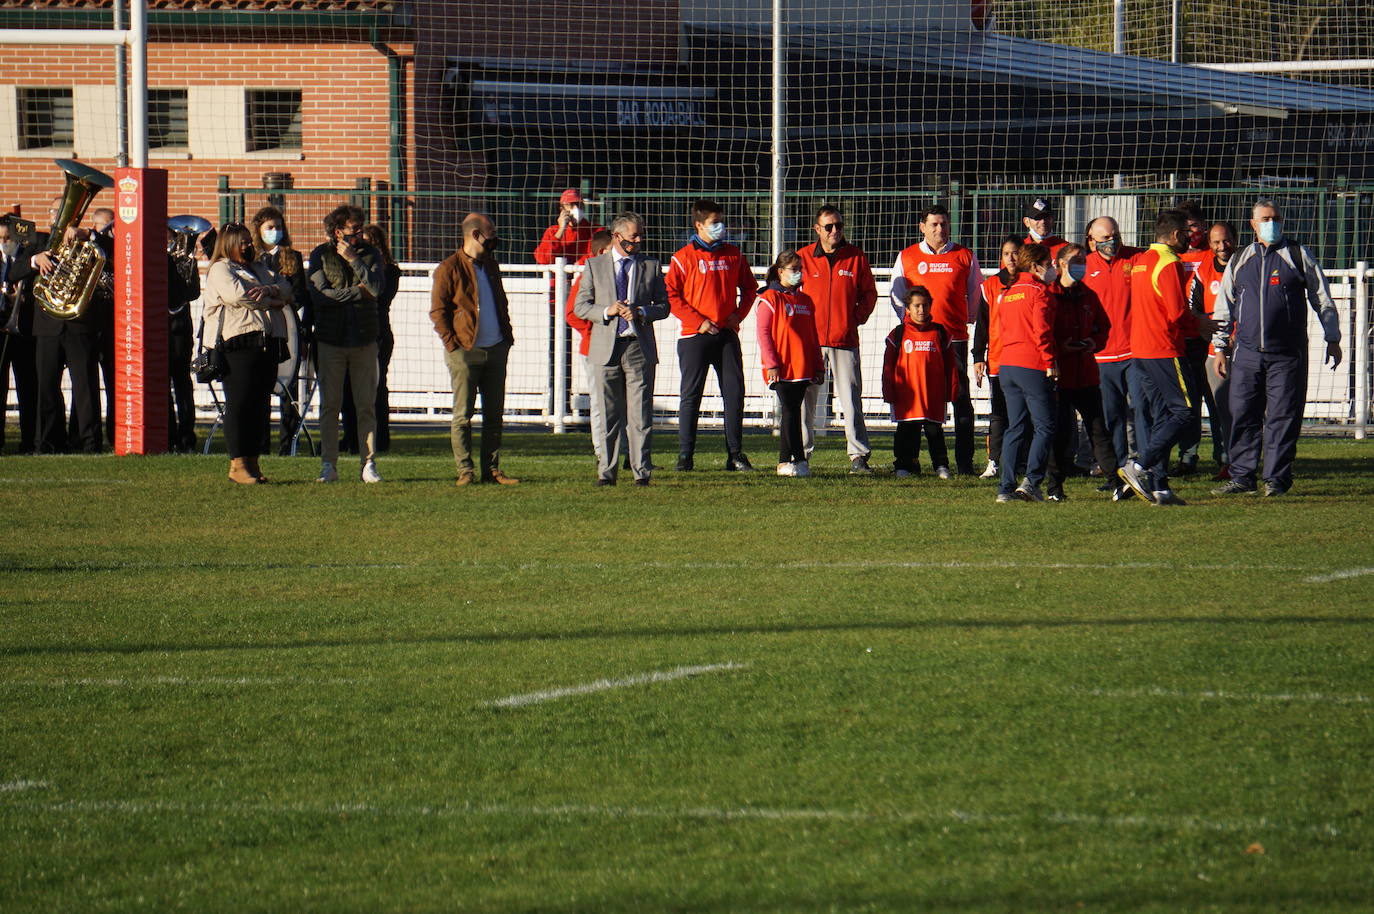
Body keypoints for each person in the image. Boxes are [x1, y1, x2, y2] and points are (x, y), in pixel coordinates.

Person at [1212, 200, 1341, 497]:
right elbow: (1224, 306)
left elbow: (1321, 297)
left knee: (1282, 417)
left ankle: (1276, 480)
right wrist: (1219, 347)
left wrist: (1332, 337)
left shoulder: (1298, 254)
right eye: (1265, 219)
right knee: (1243, 414)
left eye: (1276, 218)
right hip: (1246, 355)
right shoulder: (1240, 258)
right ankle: (1242, 477)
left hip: (1287, 355)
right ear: (1253, 224)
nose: (1272, 223)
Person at [1117, 210, 1218, 506]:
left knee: (1161, 416)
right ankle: (1138, 466)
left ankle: (1160, 486)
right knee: (1184, 412)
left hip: (1141, 350)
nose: (1191, 238)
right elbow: (1176, 313)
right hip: (1164, 348)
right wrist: (1200, 324)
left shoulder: (1142, 261)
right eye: (1187, 233)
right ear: (1175, 235)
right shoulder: (1169, 262)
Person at [574, 213, 669, 486]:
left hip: (638, 347)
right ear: (617, 237)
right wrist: (607, 311)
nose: (638, 240)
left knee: (640, 414)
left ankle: (641, 473)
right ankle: (607, 473)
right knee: (607, 415)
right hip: (605, 348)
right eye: (633, 236)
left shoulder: (650, 266)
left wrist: (641, 312)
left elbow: (664, 306)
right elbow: (581, 306)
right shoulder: (594, 266)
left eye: (640, 235)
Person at [666, 198, 757, 472]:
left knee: (734, 393)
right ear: (699, 225)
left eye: (721, 222)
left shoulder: (733, 254)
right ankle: (685, 456)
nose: (721, 227)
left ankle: (735, 455)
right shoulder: (682, 258)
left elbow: (750, 288)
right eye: (714, 223)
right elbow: (672, 296)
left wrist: (738, 315)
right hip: (694, 336)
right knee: (691, 396)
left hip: (726, 335)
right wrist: (699, 321)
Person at [890, 204, 980, 474]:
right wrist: (912, 325)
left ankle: (964, 463)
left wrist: (964, 319)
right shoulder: (907, 256)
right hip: (918, 343)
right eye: (934, 224)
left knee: (960, 399)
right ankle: (911, 461)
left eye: (944, 224)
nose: (940, 229)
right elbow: (897, 295)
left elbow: (975, 295)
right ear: (922, 227)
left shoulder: (964, 256)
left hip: (954, 340)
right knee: (917, 399)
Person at [429, 212, 518, 487]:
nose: (495, 240)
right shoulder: (449, 268)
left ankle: (491, 470)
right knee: (463, 415)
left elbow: (500, 302)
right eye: (491, 235)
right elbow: (438, 311)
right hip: (465, 350)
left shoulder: (490, 265)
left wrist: (506, 338)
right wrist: (452, 344)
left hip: (496, 348)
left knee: (494, 415)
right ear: (476, 235)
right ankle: (465, 470)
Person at [202, 222, 290, 484]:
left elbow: (287, 287)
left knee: (259, 405)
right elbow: (240, 296)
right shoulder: (221, 269)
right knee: (239, 404)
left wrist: (271, 290)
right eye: (242, 242)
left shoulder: (259, 268)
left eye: (248, 241)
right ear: (229, 244)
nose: (248, 246)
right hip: (237, 343)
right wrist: (275, 302)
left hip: (267, 341)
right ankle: (238, 464)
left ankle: (253, 462)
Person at [798, 205, 877, 474]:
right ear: (817, 229)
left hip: (845, 340)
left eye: (839, 226)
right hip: (810, 343)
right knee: (805, 402)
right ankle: (801, 454)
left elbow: (869, 294)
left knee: (851, 400)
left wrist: (854, 319)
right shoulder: (803, 258)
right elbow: (789, 292)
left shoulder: (856, 257)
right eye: (829, 226)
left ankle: (858, 456)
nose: (835, 231)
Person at [307, 205, 384, 484]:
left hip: (364, 338)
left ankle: (368, 463)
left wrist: (354, 260)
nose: (359, 234)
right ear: (338, 231)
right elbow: (320, 296)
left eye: (361, 229)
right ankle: (329, 464)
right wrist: (357, 293)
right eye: (354, 230)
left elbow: (376, 289)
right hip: (331, 339)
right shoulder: (320, 254)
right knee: (330, 405)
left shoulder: (370, 254)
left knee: (366, 405)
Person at [31, 194, 107, 454]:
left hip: (79, 324)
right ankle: (47, 443)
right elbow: (17, 269)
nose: (57, 216)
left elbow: (111, 248)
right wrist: (36, 260)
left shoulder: (85, 241)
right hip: (47, 326)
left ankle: (89, 443)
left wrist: (88, 234)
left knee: (85, 386)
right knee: (46, 387)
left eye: (62, 211)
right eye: (54, 212)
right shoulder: (37, 241)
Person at [1045, 243, 1116, 501]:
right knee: (1061, 432)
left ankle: (1116, 481)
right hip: (1060, 374)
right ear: (1062, 264)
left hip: (1086, 373)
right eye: (1077, 260)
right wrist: (1059, 349)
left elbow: (1103, 327)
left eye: (1084, 261)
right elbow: (1041, 332)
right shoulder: (1049, 295)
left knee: (1098, 428)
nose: (1082, 266)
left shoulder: (1088, 295)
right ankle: (1055, 487)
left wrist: (1092, 343)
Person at [1083, 215, 1144, 498]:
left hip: (1135, 352)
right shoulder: (1084, 267)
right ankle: (1118, 473)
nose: (1112, 241)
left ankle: (1145, 467)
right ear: (1091, 241)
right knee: (1112, 417)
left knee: (1142, 410)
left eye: (1115, 235)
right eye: (1105, 238)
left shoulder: (1137, 259)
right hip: (1102, 356)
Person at [995, 243, 1058, 502]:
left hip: (1007, 364)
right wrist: (1050, 361)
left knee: (1015, 427)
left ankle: (1005, 489)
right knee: (1044, 426)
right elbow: (1041, 331)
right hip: (1031, 364)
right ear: (1035, 266)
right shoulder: (1039, 291)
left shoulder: (1008, 292)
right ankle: (1031, 482)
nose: (1051, 268)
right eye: (1048, 264)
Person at [755, 250, 823, 478]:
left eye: (800, 269)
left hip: (802, 367)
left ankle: (793, 461)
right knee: (790, 410)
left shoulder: (805, 300)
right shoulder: (769, 298)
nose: (798, 273)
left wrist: (818, 366)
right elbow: (764, 333)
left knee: (792, 411)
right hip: (782, 367)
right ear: (780, 271)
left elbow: (812, 336)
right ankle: (791, 460)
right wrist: (771, 363)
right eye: (794, 269)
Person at [250, 206, 310, 455]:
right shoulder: (252, 257)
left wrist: (279, 298)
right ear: (258, 230)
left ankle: (288, 444)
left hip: (287, 326)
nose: (275, 231)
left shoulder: (292, 257)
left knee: (288, 387)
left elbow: (299, 293)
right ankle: (261, 444)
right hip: (260, 326)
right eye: (269, 227)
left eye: (278, 227)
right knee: (260, 387)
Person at [884, 285, 960, 479]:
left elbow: (951, 365)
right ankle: (903, 465)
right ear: (908, 308)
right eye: (916, 306)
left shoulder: (940, 333)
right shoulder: (898, 333)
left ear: (930, 306)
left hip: (933, 394)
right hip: (907, 396)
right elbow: (888, 365)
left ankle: (941, 466)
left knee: (934, 431)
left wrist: (952, 388)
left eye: (925, 305)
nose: (921, 310)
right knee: (906, 431)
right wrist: (888, 389)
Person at [341, 224, 401, 454]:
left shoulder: (389, 271)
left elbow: (379, 295)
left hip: (378, 333)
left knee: (376, 387)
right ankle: (351, 437)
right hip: (352, 332)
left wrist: (362, 283)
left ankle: (380, 438)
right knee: (348, 386)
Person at [1186, 221, 1238, 480]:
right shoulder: (1203, 271)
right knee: (1221, 409)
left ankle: (1249, 461)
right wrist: (1211, 333)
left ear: (1235, 239)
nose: (1222, 246)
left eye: (1226, 240)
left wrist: (1239, 335)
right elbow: (1193, 309)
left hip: (1248, 350)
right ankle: (1227, 462)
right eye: (1216, 242)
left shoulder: (1247, 266)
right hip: (1214, 353)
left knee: (1248, 409)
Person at [972, 234, 1023, 478]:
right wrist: (978, 356)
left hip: (1025, 360)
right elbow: (982, 325)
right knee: (999, 414)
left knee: (1025, 414)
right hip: (999, 361)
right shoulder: (990, 286)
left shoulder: (1031, 283)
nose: (1011, 258)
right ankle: (994, 461)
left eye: (1015, 253)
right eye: (1006, 254)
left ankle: (1023, 462)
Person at [567, 229, 615, 465]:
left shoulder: (623, 271)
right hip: (594, 349)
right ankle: (601, 452)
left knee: (626, 402)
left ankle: (629, 454)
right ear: (602, 252)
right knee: (600, 402)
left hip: (621, 346)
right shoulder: (589, 274)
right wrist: (593, 332)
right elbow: (572, 313)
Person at [0, 218, 38, 453]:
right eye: (0, 238)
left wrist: (24, 299)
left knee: (28, 387)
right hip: (1, 328)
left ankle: (29, 441)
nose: (4, 242)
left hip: (25, 330)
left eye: (8, 238)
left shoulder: (28, 257)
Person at [533, 188, 603, 267]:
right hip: (559, 274)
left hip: (584, 273)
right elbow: (543, 259)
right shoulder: (553, 231)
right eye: (571, 205)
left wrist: (579, 264)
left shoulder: (596, 230)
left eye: (579, 205)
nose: (576, 209)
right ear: (562, 210)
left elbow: (599, 255)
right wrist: (561, 230)